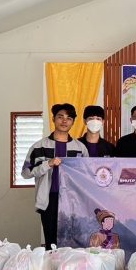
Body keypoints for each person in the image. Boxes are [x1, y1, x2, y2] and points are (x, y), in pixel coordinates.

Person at [22, 103, 88, 250]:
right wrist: (48, 164)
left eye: (69, 118)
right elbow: (26, 172)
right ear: (53, 119)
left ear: (73, 122)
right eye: (60, 117)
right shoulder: (39, 146)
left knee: (73, 239)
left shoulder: (79, 148)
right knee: (51, 240)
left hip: (72, 200)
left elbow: (85, 176)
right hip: (49, 199)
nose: (64, 121)